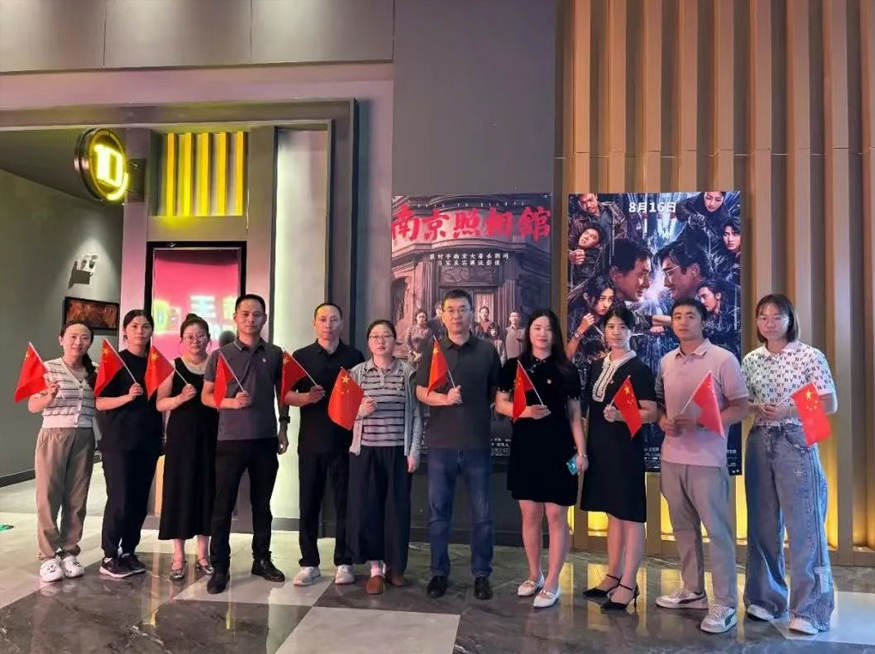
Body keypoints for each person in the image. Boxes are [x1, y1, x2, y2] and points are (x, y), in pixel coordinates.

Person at [742, 294, 837, 635]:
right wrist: (755, 408)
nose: (769, 322)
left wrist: (789, 409)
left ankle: (811, 610)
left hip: (795, 440)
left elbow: (829, 403)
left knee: (805, 526)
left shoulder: (809, 355)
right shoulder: (751, 360)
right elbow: (741, 402)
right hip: (759, 440)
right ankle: (766, 599)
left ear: (789, 319)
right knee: (762, 524)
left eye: (776, 316)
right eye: (763, 317)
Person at [654, 298, 748, 634]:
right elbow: (661, 405)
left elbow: (741, 407)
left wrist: (704, 423)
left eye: (690, 316)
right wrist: (663, 420)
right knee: (682, 529)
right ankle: (693, 591)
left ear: (703, 321)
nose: (682, 321)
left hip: (708, 460)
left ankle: (725, 603)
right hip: (671, 457)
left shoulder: (723, 359)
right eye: (677, 316)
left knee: (718, 532)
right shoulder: (666, 361)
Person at [494, 310, 586, 608]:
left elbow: (575, 415)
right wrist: (524, 412)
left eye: (548, 328)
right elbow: (500, 404)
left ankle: (553, 582)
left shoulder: (567, 369)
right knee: (530, 515)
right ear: (528, 332)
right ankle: (534, 574)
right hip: (526, 449)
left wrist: (582, 452)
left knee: (556, 516)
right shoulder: (513, 366)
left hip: (559, 449)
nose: (542, 333)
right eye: (537, 328)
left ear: (555, 333)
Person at [416, 289, 502, 601]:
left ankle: (482, 574)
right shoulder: (434, 350)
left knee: (482, 515)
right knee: (438, 514)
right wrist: (445, 399)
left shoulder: (487, 351)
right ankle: (439, 572)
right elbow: (421, 391)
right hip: (441, 445)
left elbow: (497, 393)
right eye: (450, 310)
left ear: (471, 313)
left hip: (477, 443)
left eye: (462, 309)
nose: (456, 315)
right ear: (442, 315)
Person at [202, 294, 289, 594]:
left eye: (257, 314)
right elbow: (207, 396)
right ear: (236, 317)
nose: (251, 319)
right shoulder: (220, 355)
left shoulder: (275, 354)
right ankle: (220, 567)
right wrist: (230, 402)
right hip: (230, 440)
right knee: (223, 506)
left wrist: (283, 426)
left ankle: (261, 559)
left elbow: (283, 393)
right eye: (245, 314)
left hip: (265, 439)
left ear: (264, 318)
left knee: (262, 504)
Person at [579, 307, 657, 611]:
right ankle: (613, 574)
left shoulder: (639, 369)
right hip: (601, 448)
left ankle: (629, 582)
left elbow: (651, 413)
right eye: (610, 326)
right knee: (613, 514)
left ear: (631, 331)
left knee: (630, 515)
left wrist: (624, 416)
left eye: (622, 327)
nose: (615, 332)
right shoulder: (597, 366)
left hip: (626, 450)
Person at [285, 302, 365, 587]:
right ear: (314, 323)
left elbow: (361, 396)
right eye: (323, 319)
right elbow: (286, 395)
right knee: (309, 504)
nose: (328, 324)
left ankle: (344, 561)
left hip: (345, 442)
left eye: (333, 320)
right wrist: (307, 398)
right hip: (311, 442)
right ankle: (309, 563)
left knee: (345, 504)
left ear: (341, 324)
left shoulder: (354, 356)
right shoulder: (301, 356)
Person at [346, 320, 423, 594]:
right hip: (366, 451)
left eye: (386, 336)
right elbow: (343, 415)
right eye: (375, 336)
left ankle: (395, 567)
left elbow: (416, 415)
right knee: (370, 510)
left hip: (398, 452)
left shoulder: (408, 372)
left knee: (397, 510)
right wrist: (360, 412)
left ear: (395, 340)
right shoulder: (357, 373)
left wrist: (414, 452)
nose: (381, 341)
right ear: (368, 342)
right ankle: (376, 569)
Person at [28, 321, 98, 582]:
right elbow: (32, 405)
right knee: (48, 496)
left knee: (77, 497)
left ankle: (69, 551)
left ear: (90, 342)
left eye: (84, 338)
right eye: (73, 337)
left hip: (85, 436)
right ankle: (48, 557)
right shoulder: (48, 368)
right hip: (53, 435)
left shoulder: (95, 370)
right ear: (61, 339)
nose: (78, 342)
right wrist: (48, 397)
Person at [96, 310, 163, 579]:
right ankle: (109, 554)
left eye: (145, 326)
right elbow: (100, 402)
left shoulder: (156, 363)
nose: (140, 331)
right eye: (134, 326)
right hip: (119, 442)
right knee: (120, 498)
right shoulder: (115, 361)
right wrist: (126, 397)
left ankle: (129, 551)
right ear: (125, 330)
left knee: (138, 500)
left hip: (148, 441)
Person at [156, 313, 219, 581]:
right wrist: (180, 399)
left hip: (211, 437)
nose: (195, 340)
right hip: (181, 439)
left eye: (200, 336)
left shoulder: (217, 365)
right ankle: (178, 556)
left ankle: (203, 554)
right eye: (190, 336)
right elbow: (160, 403)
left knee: (207, 491)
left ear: (209, 339)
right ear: (182, 340)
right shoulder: (174, 366)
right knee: (179, 492)